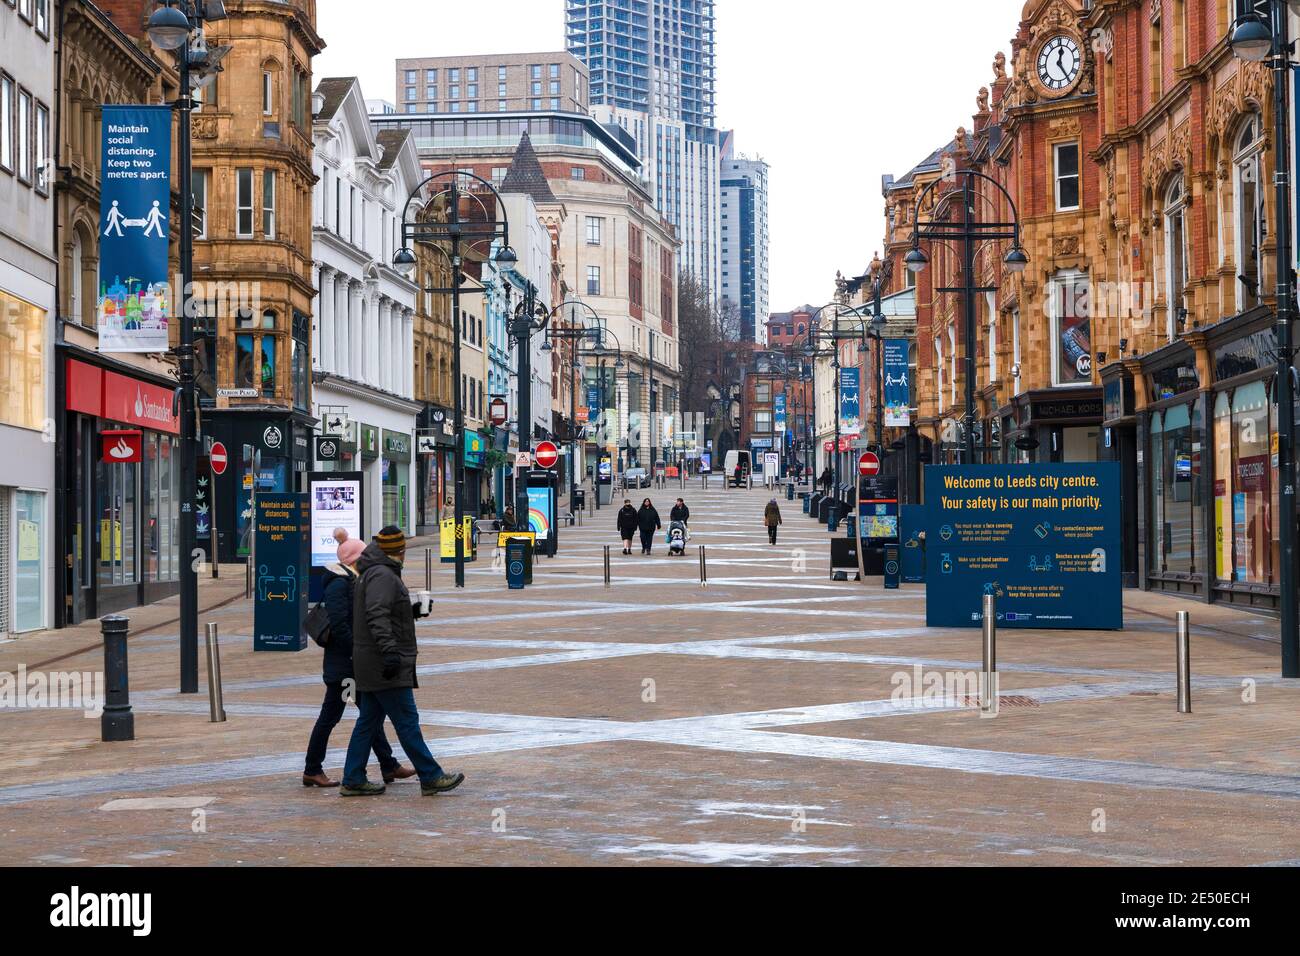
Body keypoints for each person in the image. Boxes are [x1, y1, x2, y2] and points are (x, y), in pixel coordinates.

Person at [340, 527, 465, 798]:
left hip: (371, 661)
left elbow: (382, 611)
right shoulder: (383, 574)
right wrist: (389, 652)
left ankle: (352, 777)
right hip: (383, 663)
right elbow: (376, 615)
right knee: (407, 720)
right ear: (399, 550)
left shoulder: (372, 570)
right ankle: (430, 775)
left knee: (369, 722)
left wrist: (410, 612)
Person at [303, 539, 414, 789]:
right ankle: (312, 768)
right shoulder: (339, 584)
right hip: (345, 669)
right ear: (353, 560)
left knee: (369, 715)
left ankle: (388, 765)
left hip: (349, 666)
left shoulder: (350, 580)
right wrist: (356, 653)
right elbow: (342, 625)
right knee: (333, 716)